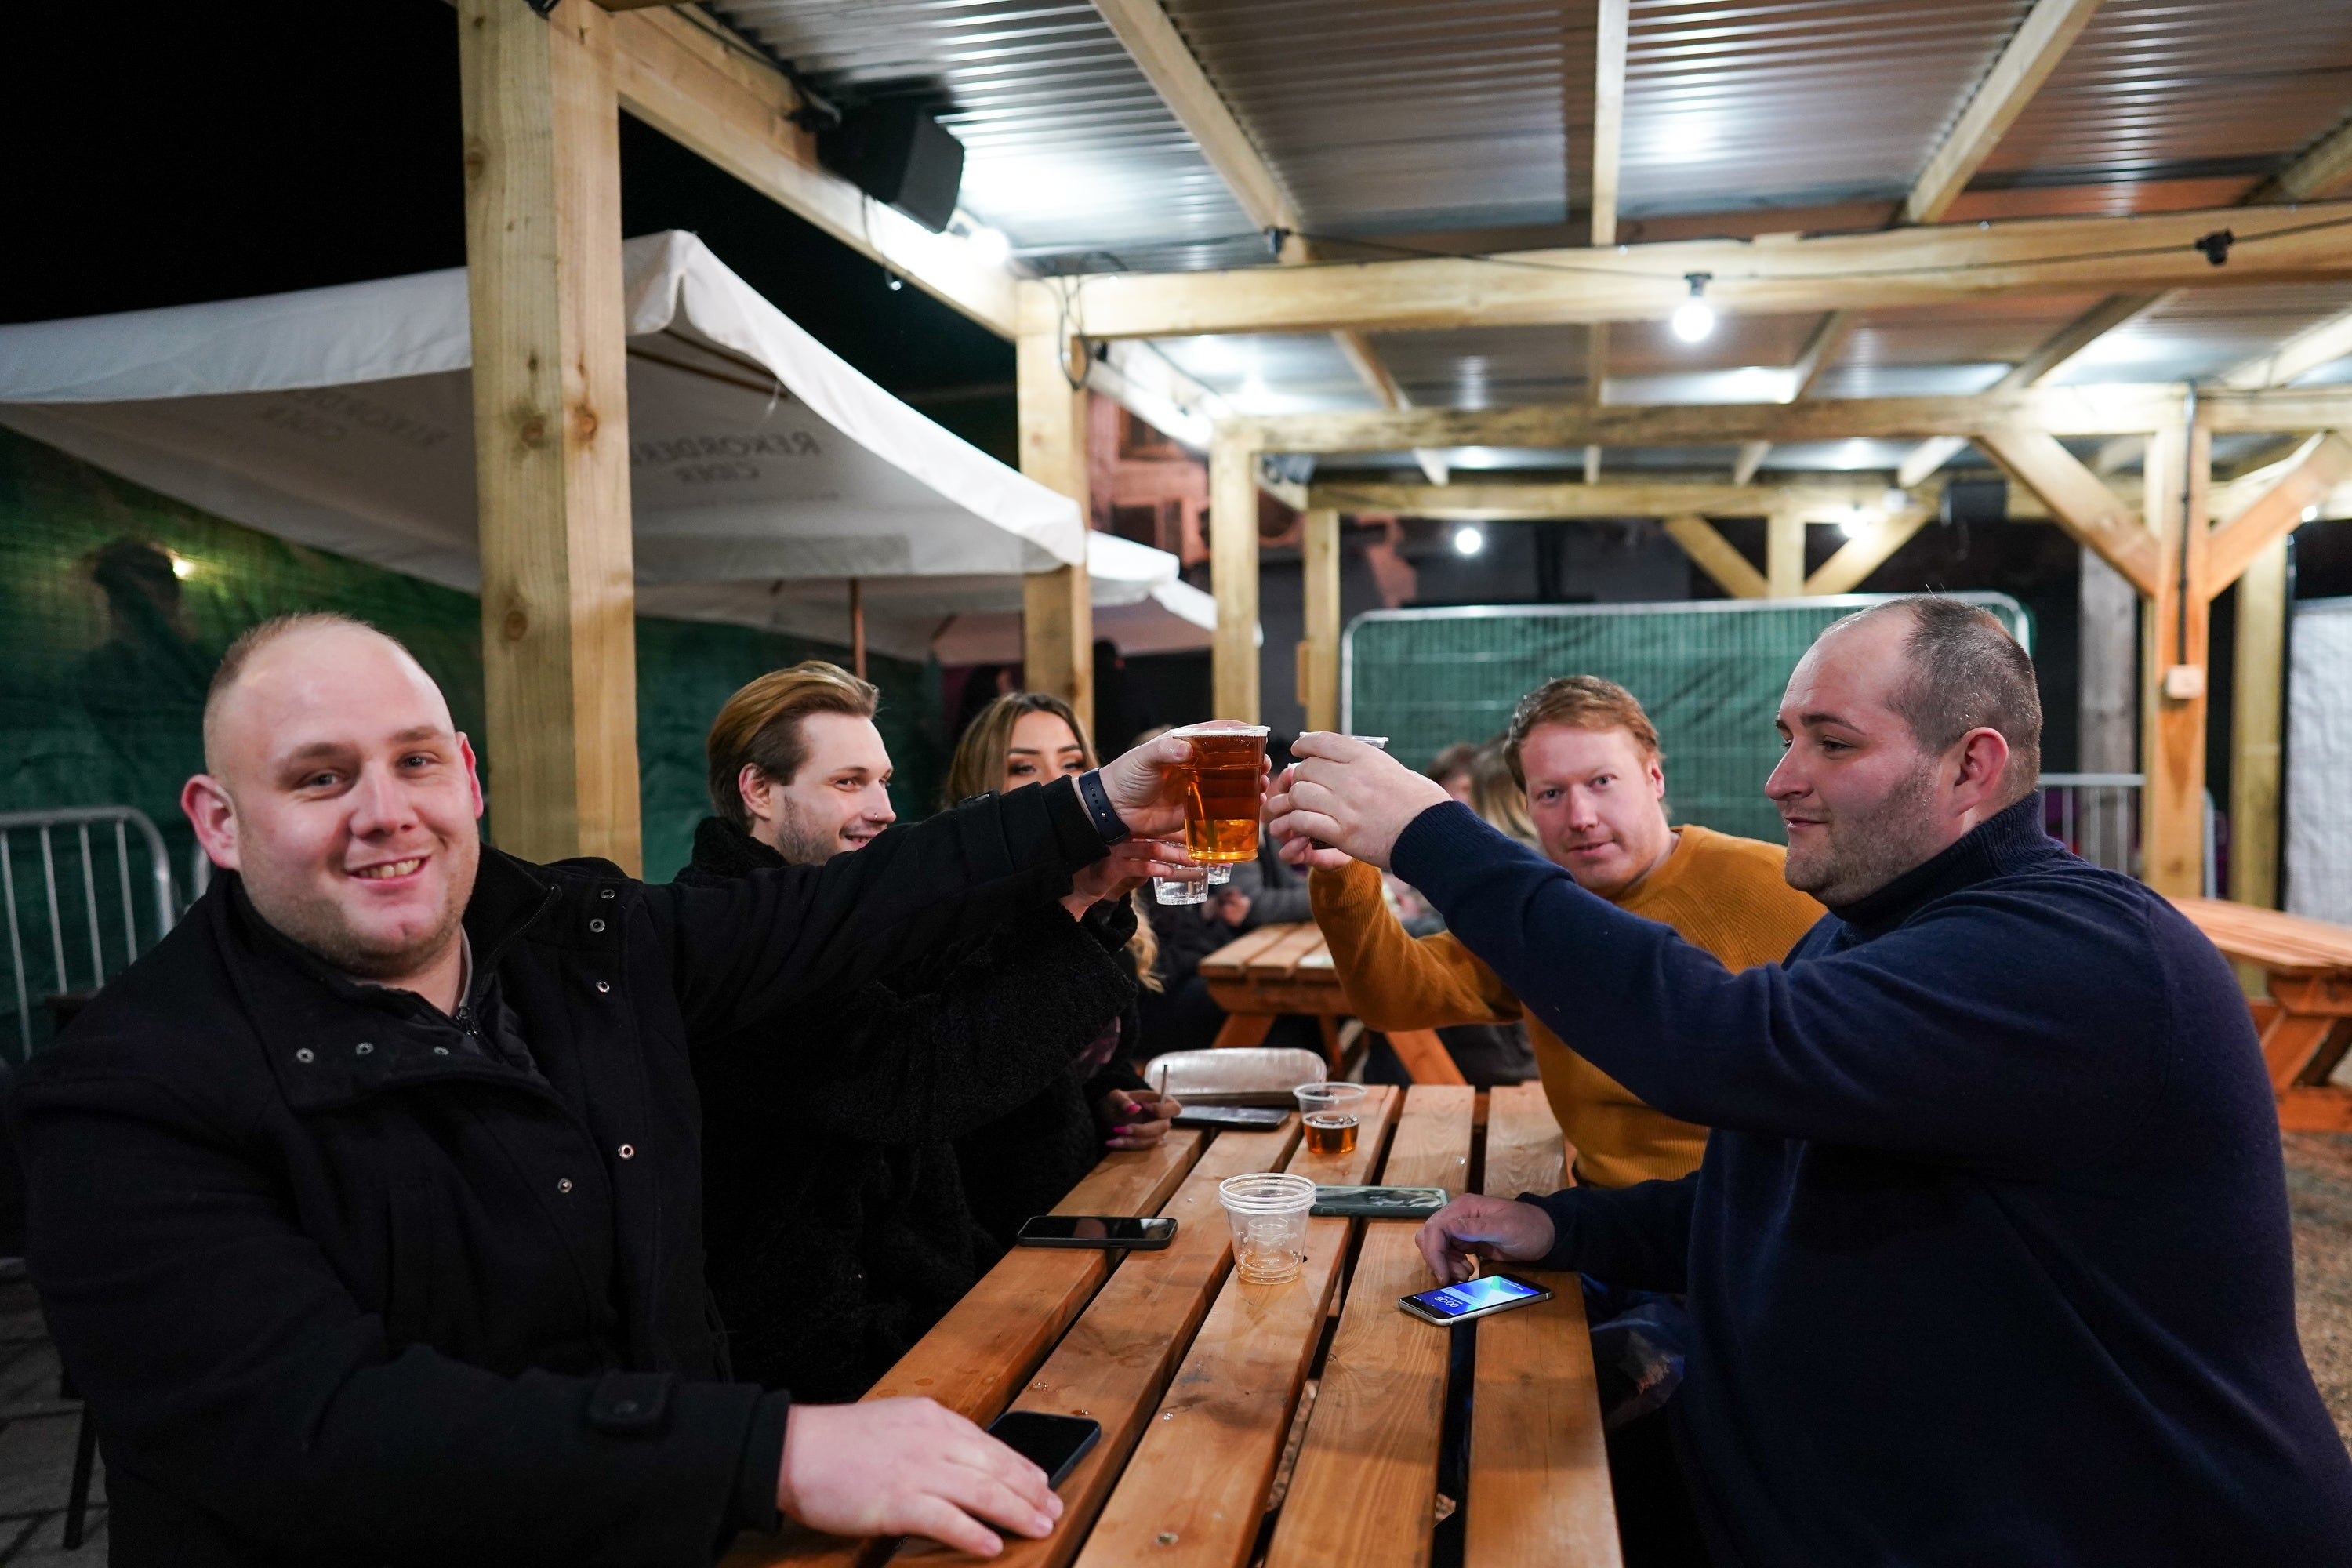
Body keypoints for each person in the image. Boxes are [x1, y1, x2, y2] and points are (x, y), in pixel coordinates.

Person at [5, 613, 1199, 1566]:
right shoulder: (122, 1094)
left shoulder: (577, 941)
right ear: (218, 822)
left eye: (415, 761)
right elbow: (316, 1432)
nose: (385, 813)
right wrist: (764, 1454)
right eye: (319, 780)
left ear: (466, 778)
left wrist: (1092, 812)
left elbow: (854, 904)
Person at [1269, 597, 2352, 1566]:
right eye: (1789, 740)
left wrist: (1431, 835)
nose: (1782, 780)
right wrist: (1567, 1231)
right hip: (1832, 1483)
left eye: (1831, 744)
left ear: (1972, 766)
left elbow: (1715, 1043)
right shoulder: (1875, 933)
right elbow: (1769, 1187)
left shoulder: (2082, 953)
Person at [680, 668, 1178, 1405]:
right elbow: (917, 1080)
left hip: (932, 1298)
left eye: (882, 782)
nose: (881, 810)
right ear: (758, 790)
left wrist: (1084, 892)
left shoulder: (844, 908)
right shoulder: (721, 939)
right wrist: (1076, 896)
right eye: (849, 783)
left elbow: (967, 990)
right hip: (821, 1370)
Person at [1312, 680, 1820, 1183]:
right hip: (1598, 1221)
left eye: (1602, 782)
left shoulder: (1783, 890)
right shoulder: (1540, 913)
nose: (1580, 817)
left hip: (1748, 1228)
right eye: (1551, 793)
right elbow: (1394, 999)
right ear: (1526, 805)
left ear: (1655, 778)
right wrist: (1341, 872)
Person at [939, 691, 1183, 1245]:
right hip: (1001, 1236)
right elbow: (980, 1090)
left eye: (1072, 764)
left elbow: (1087, 1062)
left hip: (1090, 1202)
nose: (1057, 784)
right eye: (1023, 767)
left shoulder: (1098, 896)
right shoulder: (956, 913)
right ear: (981, 789)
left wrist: (1115, 1099)